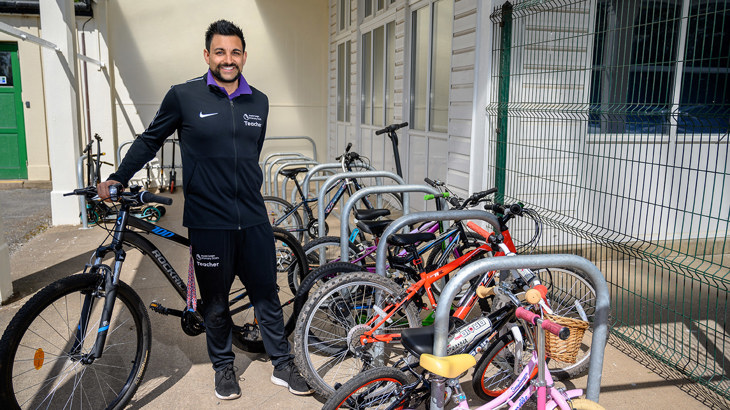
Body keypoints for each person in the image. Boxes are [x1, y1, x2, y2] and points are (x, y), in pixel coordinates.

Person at [97, 19, 312, 400]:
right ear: (207, 55)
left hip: (253, 217)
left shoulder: (259, 101)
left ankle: (282, 363)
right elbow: (150, 140)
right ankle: (223, 367)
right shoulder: (183, 96)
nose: (228, 59)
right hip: (209, 220)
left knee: (266, 293)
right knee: (214, 301)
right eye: (220, 52)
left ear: (244, 56)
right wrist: (118, 176)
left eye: (235, 52)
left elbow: (249, 154)